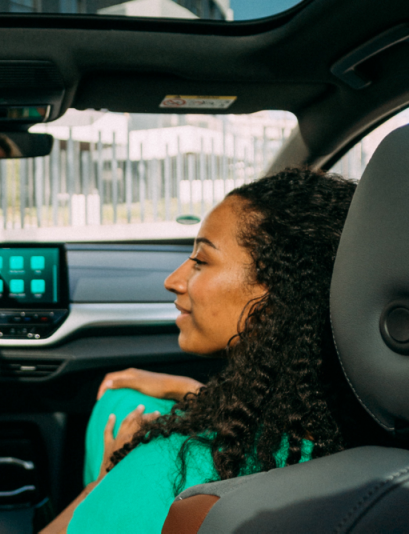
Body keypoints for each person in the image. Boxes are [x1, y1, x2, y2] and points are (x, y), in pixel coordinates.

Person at [42, 168, 365, 533]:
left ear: (277, 292)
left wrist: (101, 484)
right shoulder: (368, 443)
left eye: (201, 261)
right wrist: (190, 389)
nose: (173, 280)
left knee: (116, 405)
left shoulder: (163, 471)